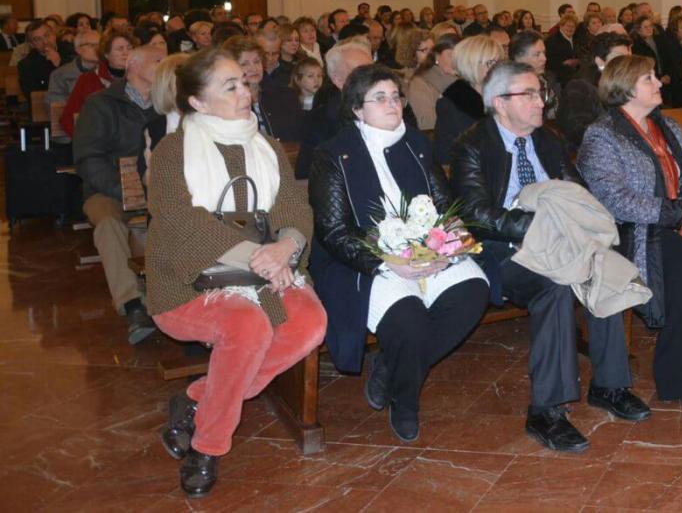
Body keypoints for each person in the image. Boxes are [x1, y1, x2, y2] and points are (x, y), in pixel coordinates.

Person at [144, 48, 325, 497]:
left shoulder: (262, 143)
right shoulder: (173, 151)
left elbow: (292, 206)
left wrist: (287, 246)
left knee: (307, 322)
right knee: (245, 326)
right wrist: (258, 257)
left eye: (244, 82)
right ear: (197, 103)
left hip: (260, 277)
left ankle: (196, 401)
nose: (245, 91)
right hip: (189, 282)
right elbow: (181, 223)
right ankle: (207, 446)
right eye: (231, 86)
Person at [450, 61, 650, 450]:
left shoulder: (549, 140)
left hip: (560, 241)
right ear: (499, 103)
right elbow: (474, 214)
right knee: (555, 287)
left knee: (604, 268)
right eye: (529, 94)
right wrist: (537, 227)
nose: (541, 102)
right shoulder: (472, 146)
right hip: (506, 251)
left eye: (540, 93)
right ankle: (547, 410)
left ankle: (609, 385)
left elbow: (577, 192)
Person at [309, 65, 487, 443]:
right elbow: (334, 231)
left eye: (395, 97)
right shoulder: (333, 155)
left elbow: (442, 201)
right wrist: (385, 261)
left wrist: (450, 244)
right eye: (380, 98)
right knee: (409, 322)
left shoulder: (416, 144)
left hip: (425, 249)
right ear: (357, 109)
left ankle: (392, 368)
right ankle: (405, 403)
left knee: (472, 293)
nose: (392, 105)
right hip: (364, 259)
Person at [577, 56, 682, 407]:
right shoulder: (602, 134)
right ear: (625, 88)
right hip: (630, 231)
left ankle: (678, 340)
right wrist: (673, 215)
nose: (659, 83)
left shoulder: (667, 126)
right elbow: (615, 199)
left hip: (675, 220)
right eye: (649, 78)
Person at [73, 44, 166, 343]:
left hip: (158, 189)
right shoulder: (100, 104)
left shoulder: (167, 107)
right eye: (158, 61)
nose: (165, 65)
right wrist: (124, 191)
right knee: (109, 224)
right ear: (135, 67)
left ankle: (175, 298)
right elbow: (88, 158)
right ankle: (133, 304)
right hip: (107, 189)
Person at [296, 38, 373, 180]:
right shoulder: (320, 122)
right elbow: (309, 177)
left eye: (373, 70)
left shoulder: (394, 106)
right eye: (362, 73)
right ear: (339, 81)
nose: (374, 79)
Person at [433, 35, 504, 167]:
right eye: (491, 63)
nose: (498, 68)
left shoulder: (506, 94)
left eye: (500, 62)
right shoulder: (453, 102)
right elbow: (446, 157)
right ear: (471, 64)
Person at [559, 32, 632, 152]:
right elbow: (578, 132)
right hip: (592, 154)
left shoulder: (624, 82)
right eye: (619, 57)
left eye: (628, 57)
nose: (627, 63)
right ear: (600, 61)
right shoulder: (579, 87)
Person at [47, 28, 101, 146]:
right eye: (92, 45)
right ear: (78, 49)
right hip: (71, 135)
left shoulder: (108, 72)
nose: (98, 49)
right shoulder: (60, 75)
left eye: (100, 45)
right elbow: (59, 110)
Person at [406, 34, 458, 131]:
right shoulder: (419, 82)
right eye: (425, 50)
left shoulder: (460, 77)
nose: (430, 54)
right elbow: (427, 122)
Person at [17, 20, 61, 94]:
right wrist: (54, 66)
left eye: (47, 35)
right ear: (32, 45)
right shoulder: (26, 65)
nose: (45, 42)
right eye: (38, 39)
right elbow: (35, 97)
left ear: (54, 34)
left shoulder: (70, 50)